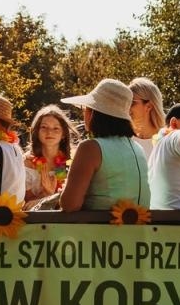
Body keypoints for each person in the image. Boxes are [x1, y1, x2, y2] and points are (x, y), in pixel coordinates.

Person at [59, 79, 150, 211]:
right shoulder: (138, 148)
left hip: (102, 230)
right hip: (140, 230)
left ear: (93, 113)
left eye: (85, 108)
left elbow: (69, 205)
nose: (83, 112)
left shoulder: (90, 148)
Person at [23, 104, 78, 206]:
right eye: (44, 127)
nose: (49, 132)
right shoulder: (27, 162)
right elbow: (27, 204)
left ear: (63, 134)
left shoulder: (72, 161)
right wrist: (47, 195)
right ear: (37, 131)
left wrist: (50, 195)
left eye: (56, 128)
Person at [127, 77, 165, 158]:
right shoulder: (125, 142)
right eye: (126, 103)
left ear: (148, 106)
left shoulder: (167, 143)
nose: (127, 107)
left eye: (131, 103)